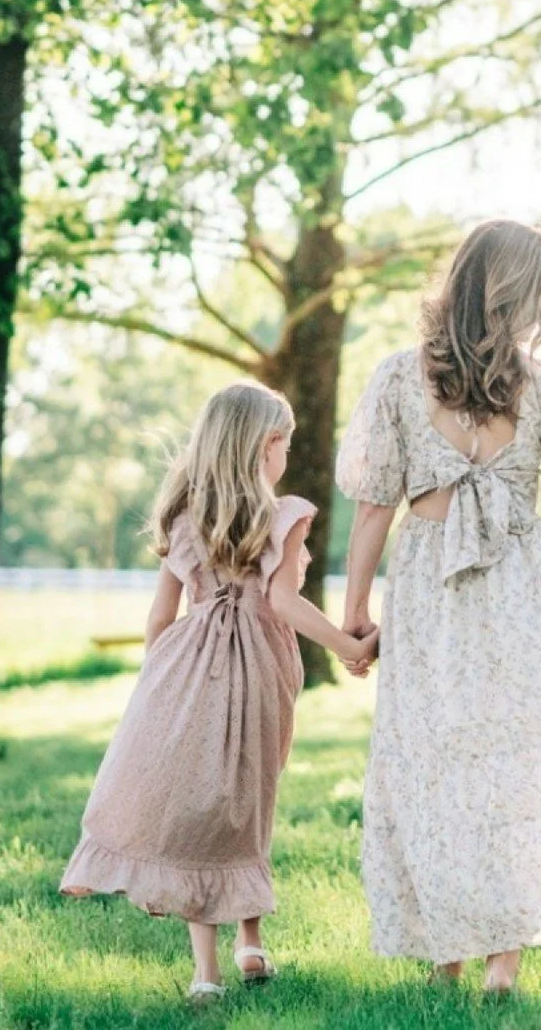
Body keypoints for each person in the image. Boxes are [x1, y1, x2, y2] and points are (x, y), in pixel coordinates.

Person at [336, 219, 541, 995]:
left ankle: (448, 949)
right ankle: (500, 959)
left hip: (427, 588)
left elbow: (376, 508)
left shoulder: (398, 379)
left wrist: (353, 614)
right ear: (522, 294)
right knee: (516, 754)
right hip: (516, 587)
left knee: (433, 755)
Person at [60, 380, 376, 1000]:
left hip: (185, 671)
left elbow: (160, 615)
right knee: (250, 794)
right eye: (285, 443)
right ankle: (250, 941)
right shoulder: (282, 516)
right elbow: (282, 601)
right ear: (266, 446)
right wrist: (350, 647)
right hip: (259, 666)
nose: (287, 455)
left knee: (204, 803)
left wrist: (156, 684)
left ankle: (206, 975)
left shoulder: (183, 517)